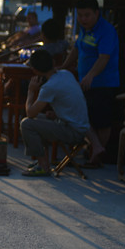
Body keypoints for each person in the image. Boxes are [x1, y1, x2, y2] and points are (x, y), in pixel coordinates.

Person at [61, 0, 116, 167]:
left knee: (102, 121)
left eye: (87, 15)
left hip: (104, 83)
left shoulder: (106, 31)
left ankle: (96, 157)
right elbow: (77, 49)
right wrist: (63, 68)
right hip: (84, 82)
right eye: (80, 16)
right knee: (82, 116)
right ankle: (93, 149)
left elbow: (104, 57)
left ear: (96, 13)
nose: (83, 19)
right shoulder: (85, 29)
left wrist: (91, 75)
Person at [20, 49, 90, 177]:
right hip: (78, 126)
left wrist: (31, 91)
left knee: (27, 124)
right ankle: (43, 162)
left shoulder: (49, 86)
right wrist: (57, 114)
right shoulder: (66, 73)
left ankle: (42, 166)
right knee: (39, 119)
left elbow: (30, 113)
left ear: (35, 71)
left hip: (73, 131)